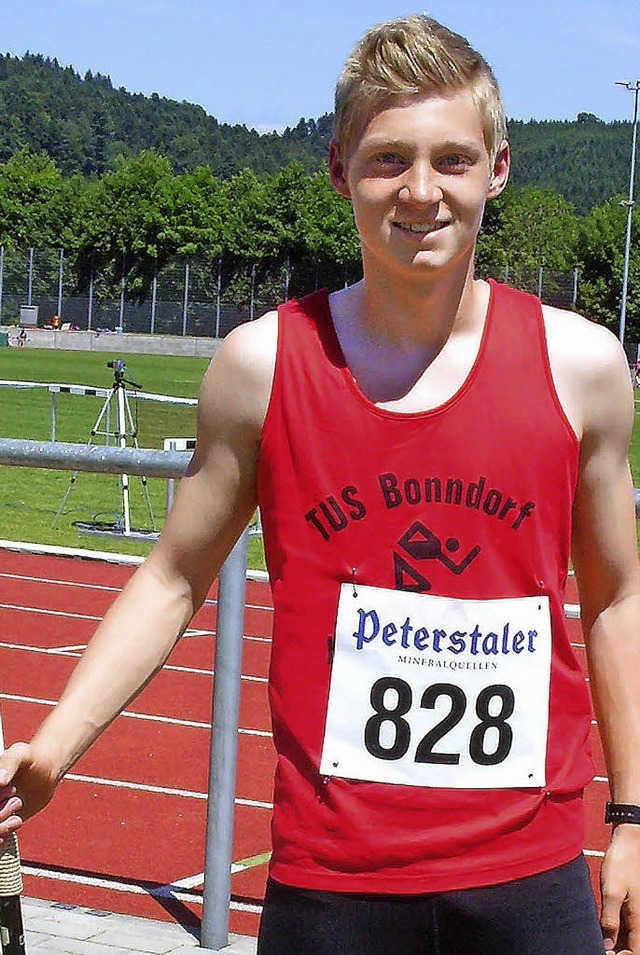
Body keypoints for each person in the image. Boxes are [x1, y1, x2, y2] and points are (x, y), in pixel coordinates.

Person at [1, 14, 639, 954]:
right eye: (388, 160)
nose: (421, 191)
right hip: (331, 885)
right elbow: (174, 576)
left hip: (526, 878)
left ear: (498, 168)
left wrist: (631, 818)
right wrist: (53, 748)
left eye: (453, 159)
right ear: (340, 169)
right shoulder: (259, 366)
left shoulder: (580, 366)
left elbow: (617, 597)